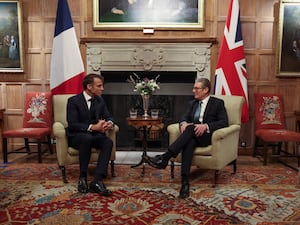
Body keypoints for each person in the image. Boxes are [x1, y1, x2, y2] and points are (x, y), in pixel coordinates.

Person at [148, 78, 228, 198]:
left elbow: (224, 122)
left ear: (205, 90)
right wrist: (183, 123)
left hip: (207, 137)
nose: (193, 90)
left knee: (190, 129)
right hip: (192, 136)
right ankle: (185, 182)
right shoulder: (192, 103)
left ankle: (166, 156)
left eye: (196, 88)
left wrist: (206, 126)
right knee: (189, 141)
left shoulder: (217, 103)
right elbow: (183, 118)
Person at [66, 73, 115, 196]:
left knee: (108, 142)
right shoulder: (73, 101)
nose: (102, 88)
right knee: (86, 138)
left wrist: (109, 123)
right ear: (89, 86)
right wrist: (93, 127)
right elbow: (72, 124)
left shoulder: (100, 100)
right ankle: (82, 177)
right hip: (77, 136)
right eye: (99, 86)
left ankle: (97, 180)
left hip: (95, 135)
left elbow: (109, 116)